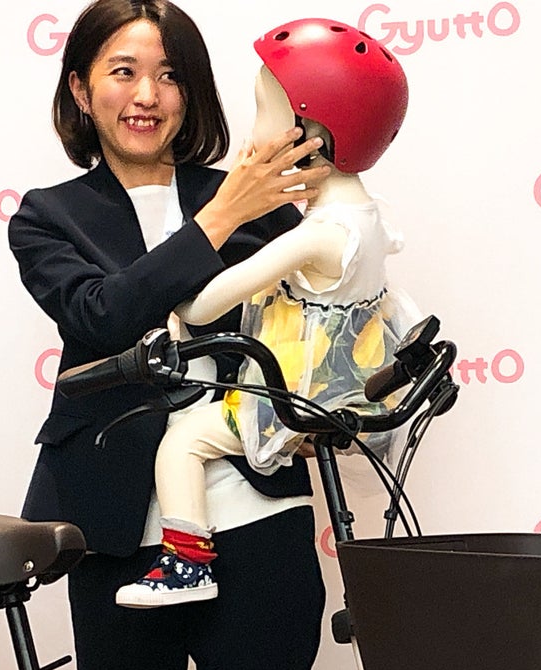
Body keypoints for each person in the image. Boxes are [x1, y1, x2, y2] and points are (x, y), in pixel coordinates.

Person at [8, 2, 331, 670]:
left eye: (169, 75)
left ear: (193, 94)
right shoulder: (48, 216)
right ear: (81, 90)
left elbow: (311, 320)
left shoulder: (257, 198)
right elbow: (103, 316)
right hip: (118, 530)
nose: (147, 95)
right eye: (123, 72)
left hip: (257, 517)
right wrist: (221, 218)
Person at [114, 18, 413, 608]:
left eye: (263, 112)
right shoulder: (370, 219)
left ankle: (186, 561)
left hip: (298, 395)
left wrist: (173, 283)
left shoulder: (315, 234)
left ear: (312, 134)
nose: (252, 133)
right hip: (344, 384)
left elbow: (203, 305)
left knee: (182, 442)